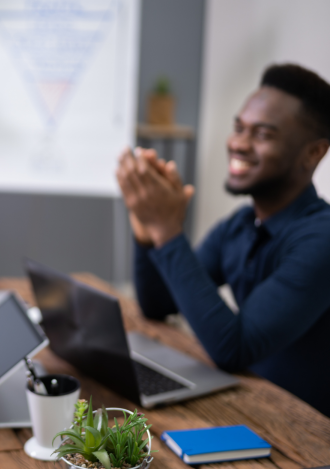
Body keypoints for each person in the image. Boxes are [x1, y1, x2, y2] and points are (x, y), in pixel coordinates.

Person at [116, 63, 330, 416]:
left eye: (262, 134)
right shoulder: (242, 224)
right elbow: (158, 304)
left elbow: (232, 349)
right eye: (239, 127)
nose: (238, 144)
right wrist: (148, 231)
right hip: (247, 405)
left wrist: (168, 230)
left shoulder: (321, 238)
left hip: (306, 437)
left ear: (313, 153)